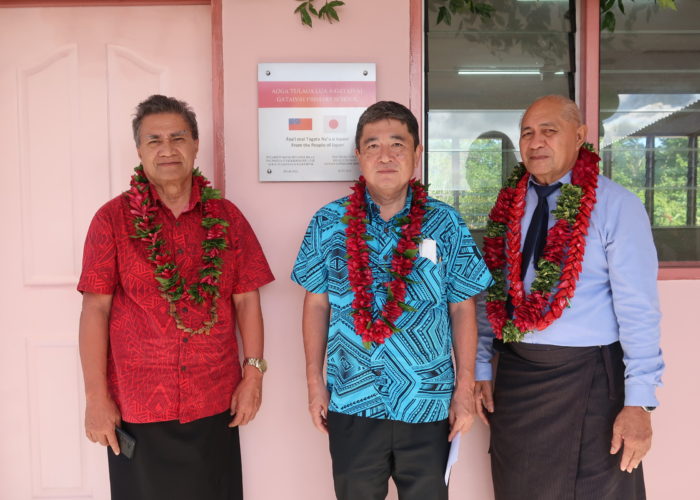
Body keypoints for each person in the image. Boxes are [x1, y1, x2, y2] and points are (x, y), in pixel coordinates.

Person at [291, 100, 492, 499]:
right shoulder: (328, 222)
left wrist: (465, 389)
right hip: (352, 397)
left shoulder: (445, 222)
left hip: (428, 402)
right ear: (359, 156)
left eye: (397, 145)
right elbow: (316, 303)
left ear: (417, 154)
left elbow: (463, 307)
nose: (385, 156)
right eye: (373, 146)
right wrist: (315, 382)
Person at [78, 94, 274, 500]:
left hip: (214, 399)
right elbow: (95, 308)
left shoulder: (228, 217)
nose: (167, 149)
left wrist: (253, 374)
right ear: (139, 150)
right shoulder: (111, 220)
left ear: (196, 144)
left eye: (178, 137)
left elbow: (246, 300)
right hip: (137, 404)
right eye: (154, 140)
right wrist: (96, 397)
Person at [475, 95, 664, 500]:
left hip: (592, 381)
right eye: (527, 133)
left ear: (579, 137)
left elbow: (639, 311)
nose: (536, 142)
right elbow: (489, 291)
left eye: (549, 131)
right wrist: (480, 366)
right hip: (517, 379)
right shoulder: (507, 206)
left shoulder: (618, 207)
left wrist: (640, 404)